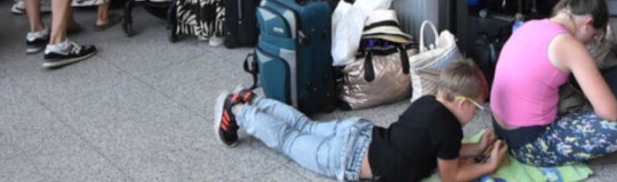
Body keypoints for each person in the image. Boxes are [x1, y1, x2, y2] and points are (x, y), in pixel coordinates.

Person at [215, 59, 506, 182]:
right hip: (349, 159)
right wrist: (489, 164)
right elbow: (450, 175)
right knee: (289, 140)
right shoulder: (449, 128)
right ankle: (238, 111)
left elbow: (447, 151)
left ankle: (251, 99)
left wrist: (477, 147)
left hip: (359, 132)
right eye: (477, 109)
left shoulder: (429, 103)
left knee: (303, 126)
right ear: (463, 103)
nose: (474, 117)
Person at [491, 0, 617, 166]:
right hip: (529, 146)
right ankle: (578, 157)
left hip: (500, 130)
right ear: (587, 23)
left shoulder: (530, 24)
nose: (591, 41)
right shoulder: (569, 45)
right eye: (595, 35)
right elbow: (610, 113)